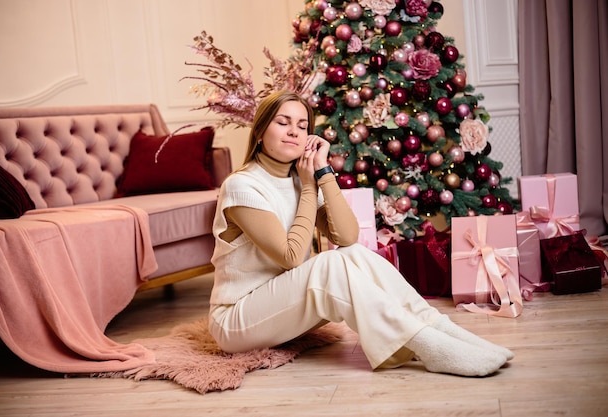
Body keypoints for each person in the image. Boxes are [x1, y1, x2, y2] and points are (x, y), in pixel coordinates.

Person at [208, 90, 513, 377]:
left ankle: (442, 329)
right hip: (237, 320)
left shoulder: (301, 180)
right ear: (260, 132)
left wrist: (322, 171)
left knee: (352, 254)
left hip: (283, 310)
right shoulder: (242, 185)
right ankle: (426, 345)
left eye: (302, 125)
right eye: (282, 122)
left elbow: (347, 237)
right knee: (328, 265)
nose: (294, 132)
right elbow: (289, 257)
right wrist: (310, 187)